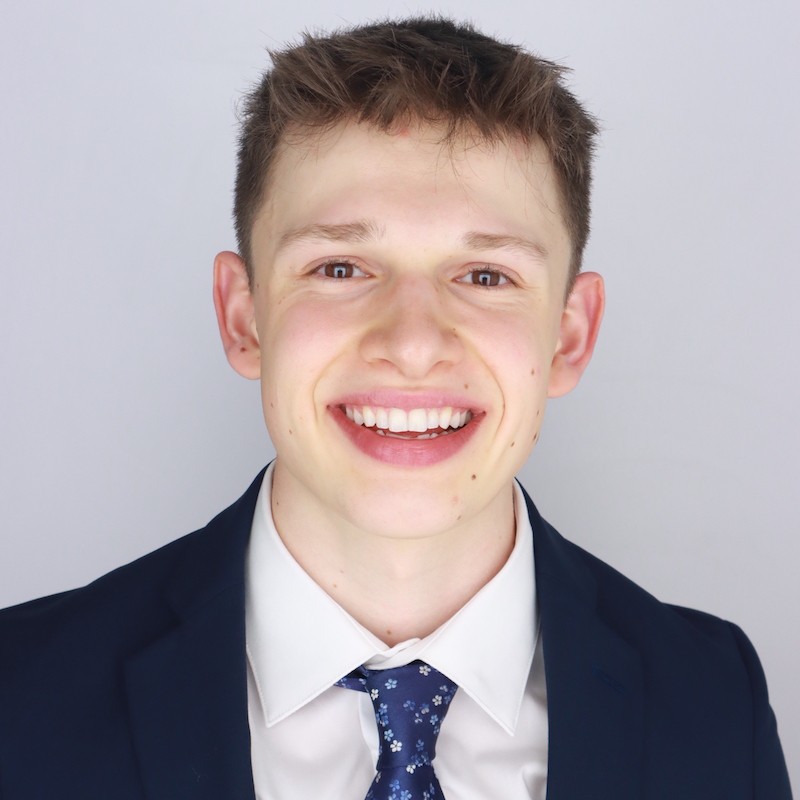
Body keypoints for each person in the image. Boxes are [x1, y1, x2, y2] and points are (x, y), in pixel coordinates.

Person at [0, 16, 792, 800]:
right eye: (341, 267)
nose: (413, 345)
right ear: (244, 319)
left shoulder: (713, 705)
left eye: (485, 276)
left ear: (568, 338)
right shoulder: (20, 697)